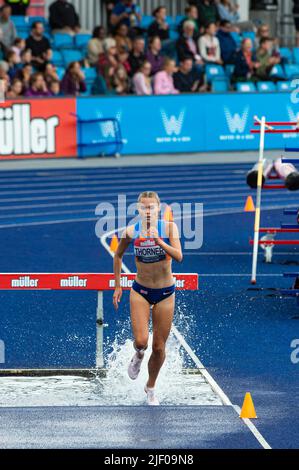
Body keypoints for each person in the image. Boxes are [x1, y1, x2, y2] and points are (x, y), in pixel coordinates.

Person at [113, 191, 182, 406]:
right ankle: (138, 354)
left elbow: (179, 256)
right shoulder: (131, 232)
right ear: (138, 210)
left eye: (152, 207)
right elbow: (117, 255)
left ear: (159, 208)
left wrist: (158, 241)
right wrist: (117, 285)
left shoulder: (169, 228)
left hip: (165, 293)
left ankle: (150, 386)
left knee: (159, 347)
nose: (148, 211)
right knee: (142, 342)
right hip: (140, 291)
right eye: (144, 207)